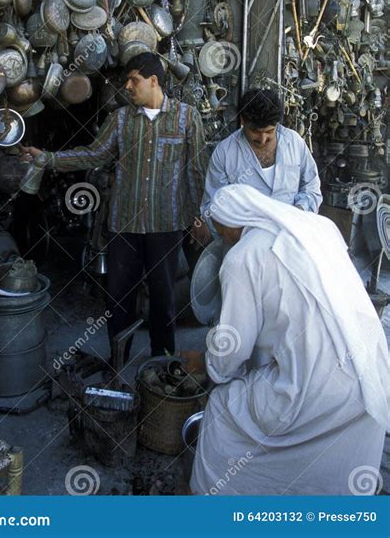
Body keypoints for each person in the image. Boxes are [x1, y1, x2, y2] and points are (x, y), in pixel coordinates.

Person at [190, 184, 389, 496]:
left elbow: (232, 350)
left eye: (217, 228)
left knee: (221, 411)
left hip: (317, 388)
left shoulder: (242, 257)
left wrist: (206, 366)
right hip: (370, 374)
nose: (219, 237)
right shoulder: (312, 228)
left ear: (229, 223)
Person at [21, 52, 208, 361]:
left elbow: (197, 169)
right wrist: (47, 157)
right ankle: (118, 362)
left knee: (163, 298)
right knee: (119, 299)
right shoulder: (120, 119)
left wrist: (200, 215)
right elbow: (93, 155)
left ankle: (161, 365)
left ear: (153, 80)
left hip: (168, 223)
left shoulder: (187, 117)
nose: (128, 87)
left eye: (133, 80)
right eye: (126, 81)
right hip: (125, 226)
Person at [194, 88, 322, 243]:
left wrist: (298, 213)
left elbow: (312, 189)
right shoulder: (225, 153)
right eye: (255, 131)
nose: (262, 139)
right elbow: (211, 206)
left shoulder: (294, 143)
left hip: (290, 240)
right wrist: (236, 230)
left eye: (269, 131)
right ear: (243, 121)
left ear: (277, 124)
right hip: (243, 245)